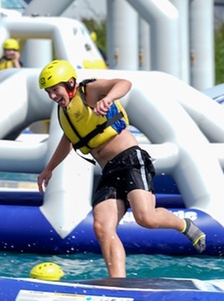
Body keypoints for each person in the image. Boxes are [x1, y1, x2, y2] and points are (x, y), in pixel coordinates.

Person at [36, 59, 206, 278]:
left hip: (130, 160)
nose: (52, 96)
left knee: (145, 218)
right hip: (109, 171)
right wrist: (49, 169)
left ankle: (184, 225)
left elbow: (124, 83)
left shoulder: (89, 91)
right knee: (101, 227)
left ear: (70, 83)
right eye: (48, 92)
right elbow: (68, 139)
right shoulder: (65, 112)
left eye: (55, 90)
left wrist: (107, 98)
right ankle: (118, 282)